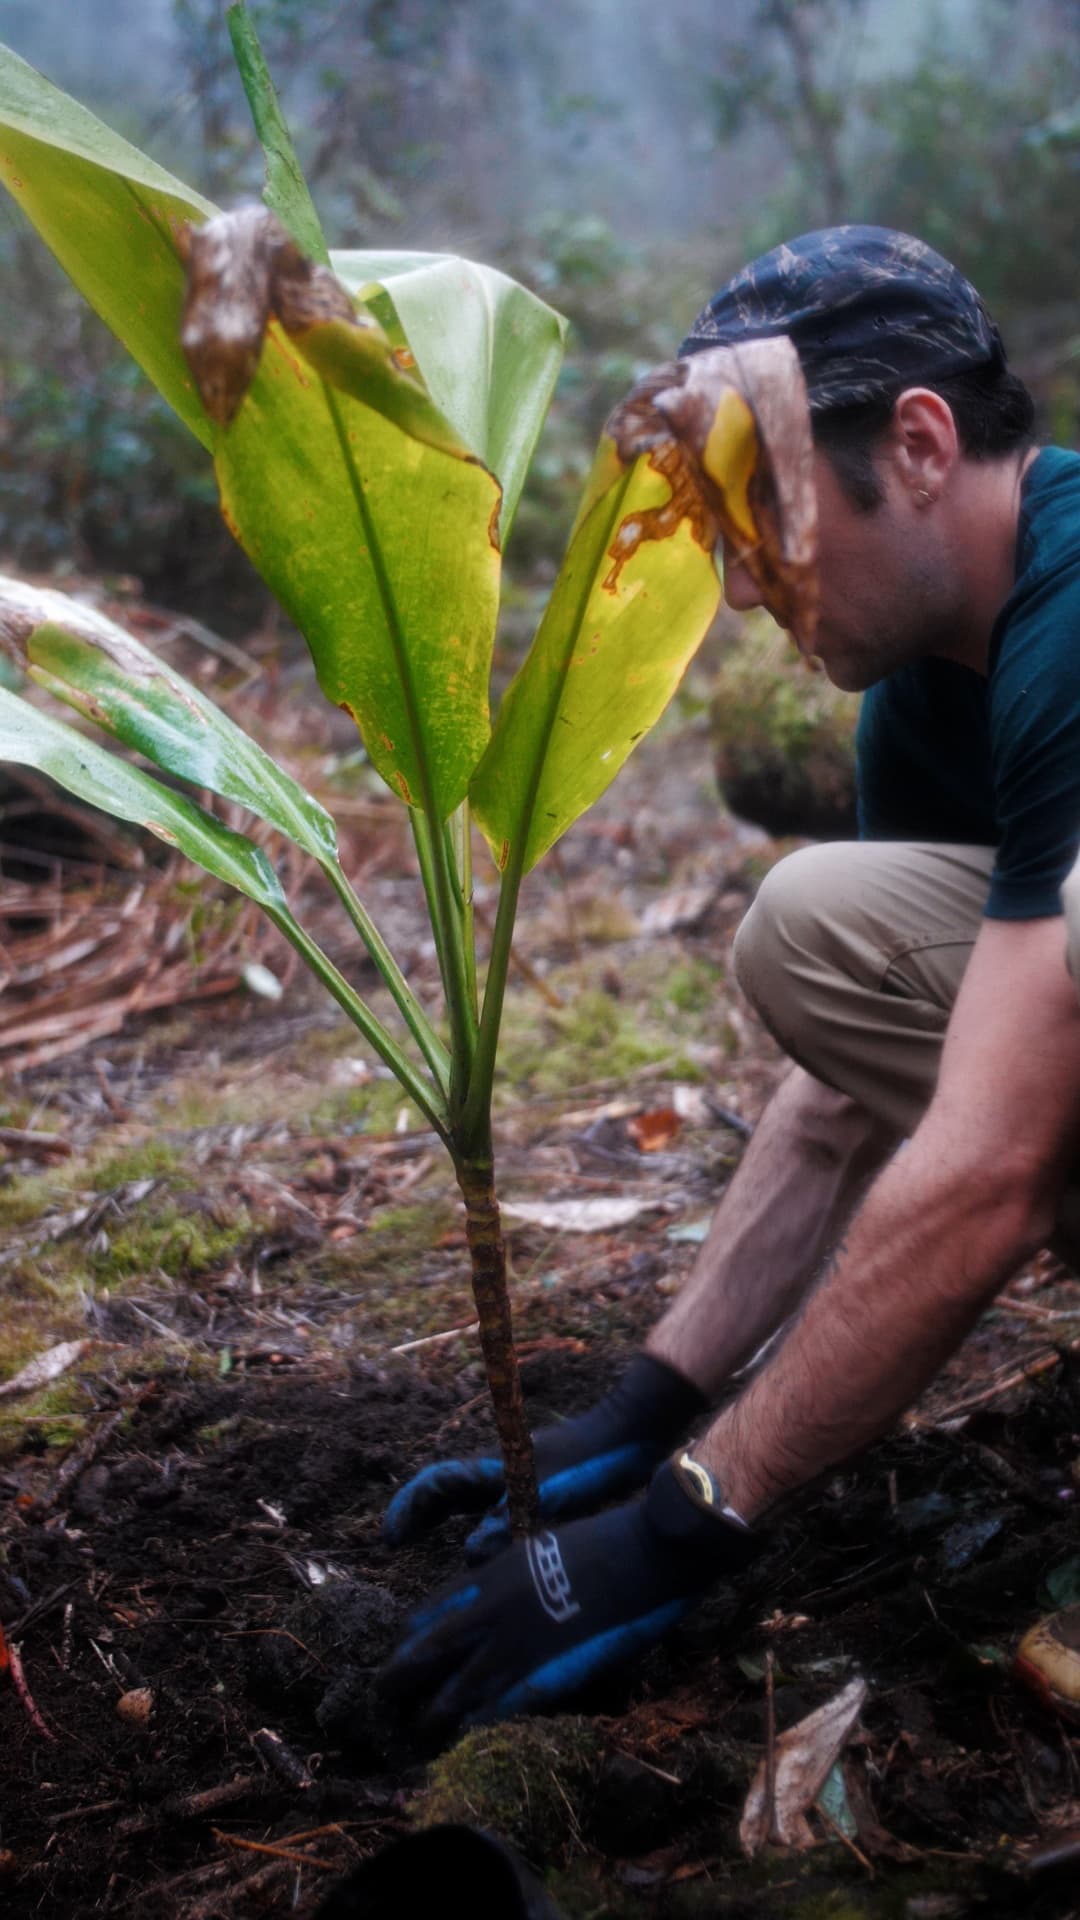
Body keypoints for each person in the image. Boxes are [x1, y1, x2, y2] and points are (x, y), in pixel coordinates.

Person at [380, 226, 1080, 1733]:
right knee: (827, 926)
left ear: (917, 441)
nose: (749, 588)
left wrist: (687, 1520)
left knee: (810, 920)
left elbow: (992, 1163)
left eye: (768, 504)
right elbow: (849, 1098)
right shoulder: (924, 697)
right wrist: (650, 1404)